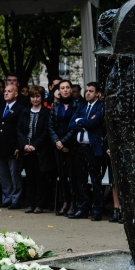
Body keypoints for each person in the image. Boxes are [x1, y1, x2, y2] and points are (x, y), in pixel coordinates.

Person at [68, 82, 105, 221]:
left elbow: (93, 123)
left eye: (91, 91)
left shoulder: (100, 107)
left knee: (95, 180)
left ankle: (97, 210)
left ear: (97, 93)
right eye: (86, 91)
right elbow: (71, 124)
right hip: (79, 148)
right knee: (80, 180)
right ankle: (82, 208)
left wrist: (81, 122)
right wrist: (83, 122)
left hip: (93, 148)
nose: (87, 93)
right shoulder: (81, 106)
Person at [17, 86, 53, 213]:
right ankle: (30, 203)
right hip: (27, 150)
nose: (35, 99)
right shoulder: (25, 111)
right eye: (33, 96)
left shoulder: (46, 112)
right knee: (29, 178)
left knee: (40, 178)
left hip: (40, 151)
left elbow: (45, 132)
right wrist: (24, 145)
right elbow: (20, 129)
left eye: (38, 96)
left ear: (42, 97)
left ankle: (39, 204)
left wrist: (35, 145)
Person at [48, 80, 79, 216]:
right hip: (58, 146)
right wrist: (58, 142)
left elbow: (76, 126)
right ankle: (64, 202)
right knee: (61, 175)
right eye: (62, 88)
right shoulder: (55, 106)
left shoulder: (78, 105)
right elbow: (50, 126)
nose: (65, 90)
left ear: (71, 89)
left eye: (67, 87)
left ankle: (73, 203)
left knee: (73, 175)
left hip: (72, 146)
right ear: (58, 91)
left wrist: (65, 142)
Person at [0, 84, 26, 209]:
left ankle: (16, 199)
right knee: (4, 174)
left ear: (16, 94)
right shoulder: (0, 107)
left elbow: (21, 129)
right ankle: (6, 198)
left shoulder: (21, 108)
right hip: (0, 146)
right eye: (5, 91)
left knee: (14, 174)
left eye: (9, 91)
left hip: (12, 146)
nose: (6, 93)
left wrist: (19, 146)